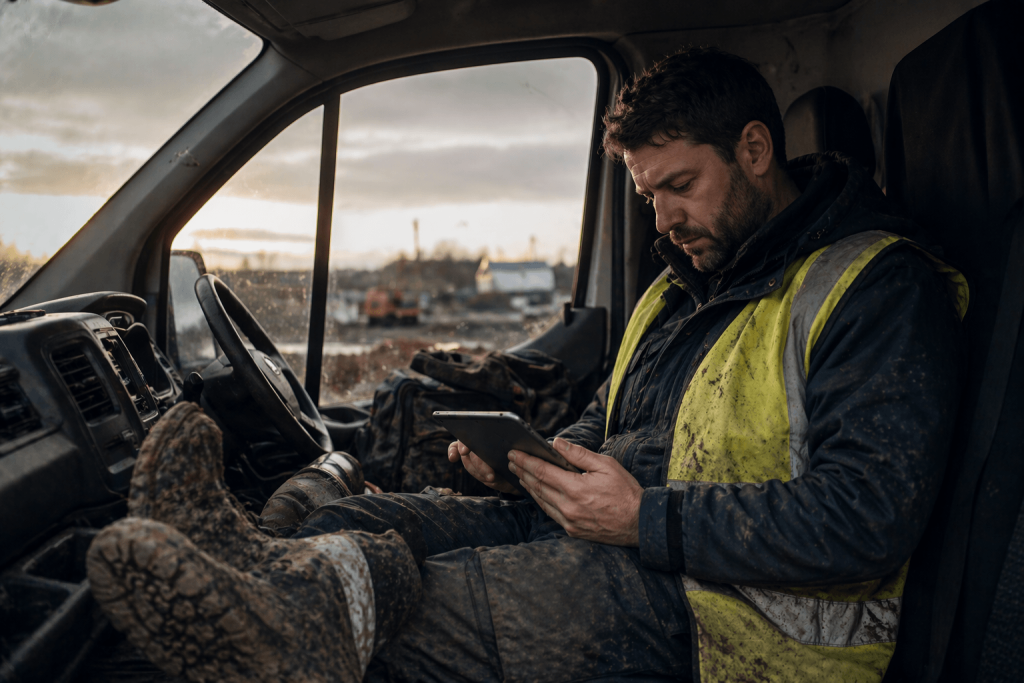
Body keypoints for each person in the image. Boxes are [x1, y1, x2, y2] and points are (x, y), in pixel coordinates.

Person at [85, 47, 967, 683]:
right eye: (647, 196)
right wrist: (532, 461)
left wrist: (645, 517)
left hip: (730, 613)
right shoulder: (683, 284)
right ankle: (243, 564)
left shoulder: (876, 288)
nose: (661, 222)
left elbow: (869, 516)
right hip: (614, 535)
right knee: (357, 515)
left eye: (679, 187)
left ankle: (271, 622)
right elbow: (618, 423)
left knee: (414, 603)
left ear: (755, 151)